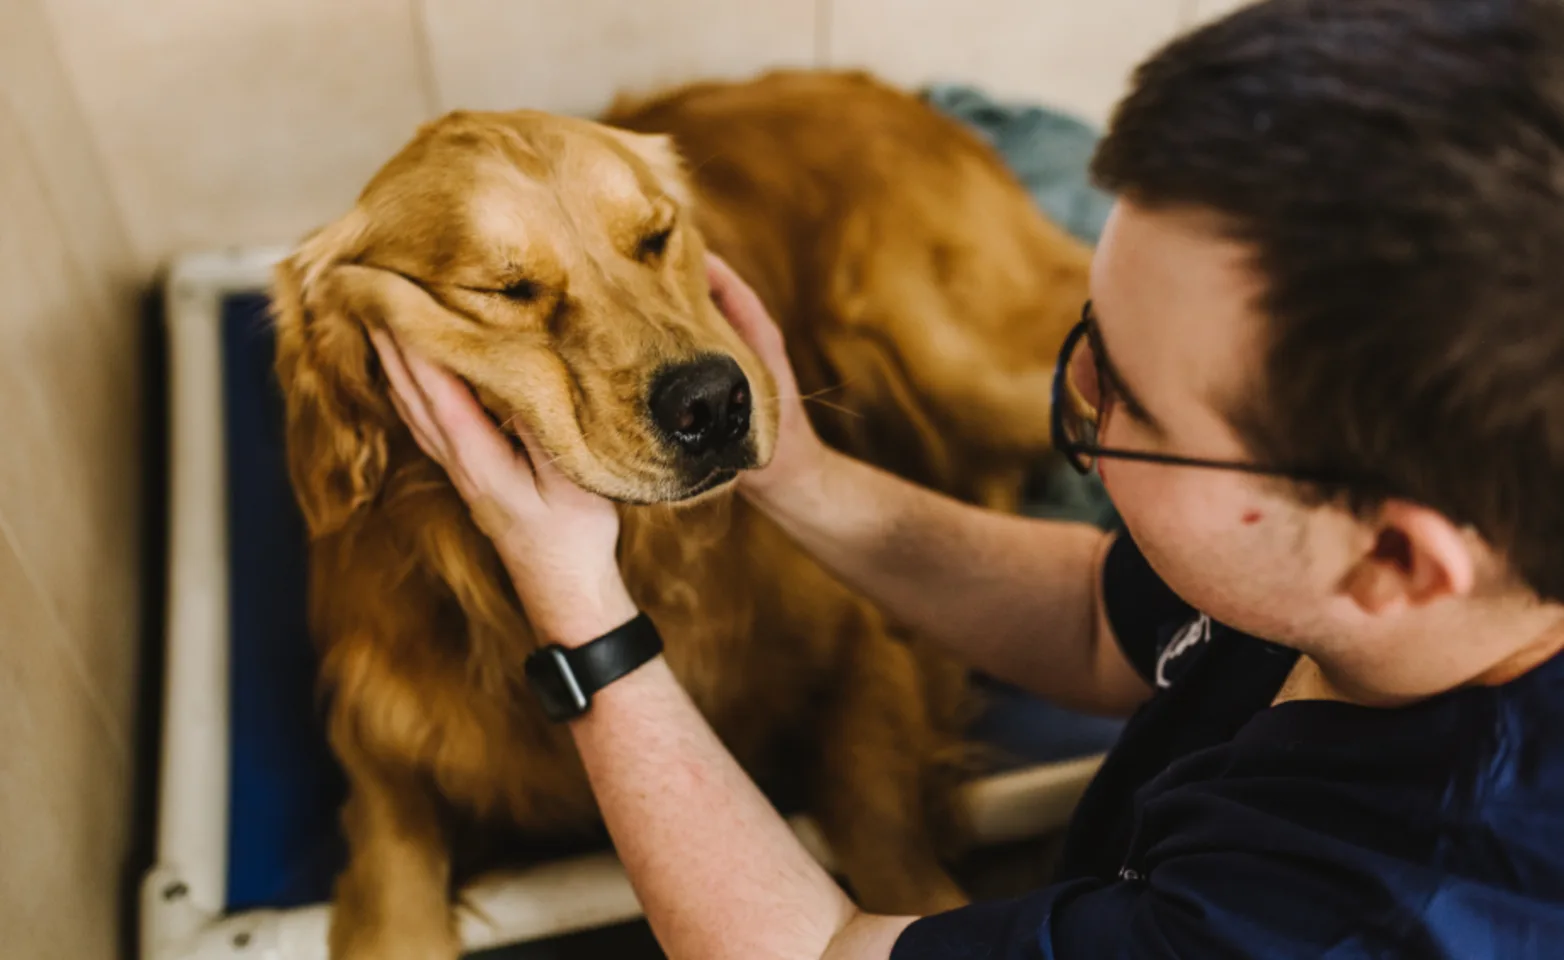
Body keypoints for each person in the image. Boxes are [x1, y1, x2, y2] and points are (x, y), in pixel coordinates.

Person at [366, 0, 1564, 955]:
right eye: (1087, 332)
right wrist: (798, 471)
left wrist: (579, 611)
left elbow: (819, 949)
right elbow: (1097, 617)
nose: (1076, 394)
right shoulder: (1401, 586)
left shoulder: (1338, 919)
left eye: (1116, 403)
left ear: (1395, 558)